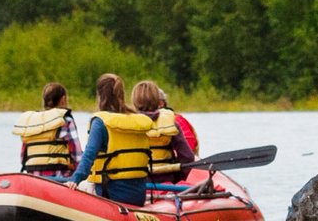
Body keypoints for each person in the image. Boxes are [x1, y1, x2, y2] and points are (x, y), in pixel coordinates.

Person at [66, 72, 157, 205]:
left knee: (83, 185)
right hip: (138, 196)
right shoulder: (138, 121)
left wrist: (75, 179)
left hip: (109, 194)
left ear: (99, 96)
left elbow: (89, 155)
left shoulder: (101, 122)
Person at [135, 80, 199, 182]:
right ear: (158, 101)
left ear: (135, 101)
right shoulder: (172, 123)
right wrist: (178, 178)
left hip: (137, 184)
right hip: (167, 180)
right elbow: (188, 157)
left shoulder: (128, 125)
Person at [12, 81, 78, 176]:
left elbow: (23, 157)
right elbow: (77, 155)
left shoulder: (32, 121)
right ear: (63, 99)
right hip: (60, 177)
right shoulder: (66, 120)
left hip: (34, 177)